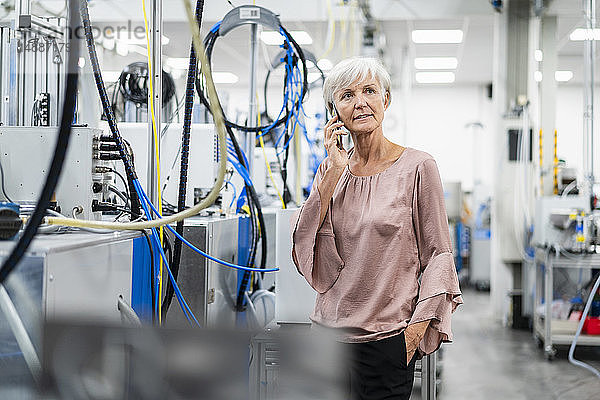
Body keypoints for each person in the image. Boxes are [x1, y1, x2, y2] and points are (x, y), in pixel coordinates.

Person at [291, 57, 463, 400]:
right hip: (328, 337)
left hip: (387, 341)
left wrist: (414, 332)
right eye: (347, 95)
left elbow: (439, 255)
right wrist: (333, 173)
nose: (360, 103)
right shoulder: (331, 168)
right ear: (333, 111)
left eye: (369, 91)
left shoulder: (418, 166)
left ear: (385, 99)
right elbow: (303, 243)